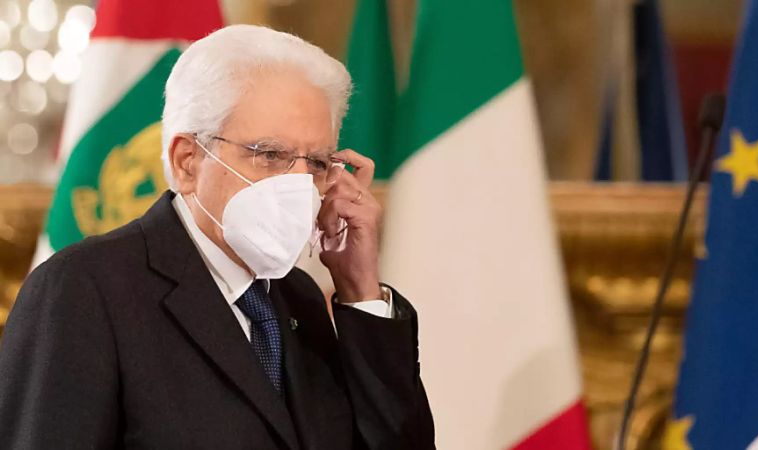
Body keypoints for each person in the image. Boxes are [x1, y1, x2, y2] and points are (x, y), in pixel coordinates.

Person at [0, 24, 434, 450]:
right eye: (269, 155)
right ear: (188, 161)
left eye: (318, 163)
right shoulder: (83, 289)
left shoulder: (298, 297)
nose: (300, 184)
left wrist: (360, 289)